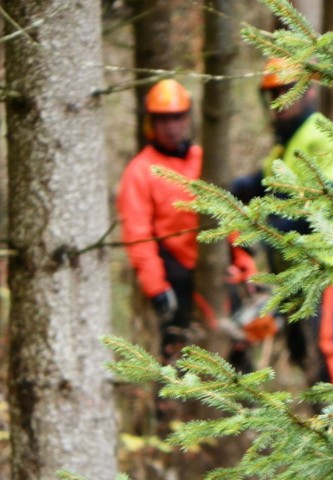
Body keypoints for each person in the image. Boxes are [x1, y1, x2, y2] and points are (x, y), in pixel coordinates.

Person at [228, 59, 333, 385]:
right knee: (302, 351)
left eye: (287, 92)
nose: (280, 104)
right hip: (294, 273)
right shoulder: (285, 147)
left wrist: (275, 225)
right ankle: (321, 420)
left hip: (327, 265)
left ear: (307, 92)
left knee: (326, 342)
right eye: (274, 95)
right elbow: (259, 182)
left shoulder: (323, 137)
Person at [117, 78, 202, 364]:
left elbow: (225, 218)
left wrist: (242, 263)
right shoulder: (140, 171)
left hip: (209, 265)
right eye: (163, 119)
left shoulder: (202, 160)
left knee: (231, 346)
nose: (171, 126)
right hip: (172, 273)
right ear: (151, 122)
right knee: (175, 350)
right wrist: (157, 288)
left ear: (188, 118)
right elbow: (137, 234)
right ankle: (170, 407)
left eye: (177, 117)